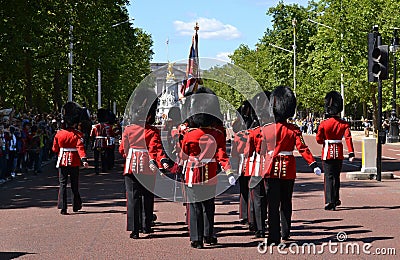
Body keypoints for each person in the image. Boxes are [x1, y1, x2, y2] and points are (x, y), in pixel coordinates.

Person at [260, 86, 321, 245]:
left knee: (272, 206)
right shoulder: (294, 130)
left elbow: (261, 150)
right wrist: (312, 163)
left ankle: (273, 237)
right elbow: (302, 148)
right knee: (286, 203)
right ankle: (286, 232)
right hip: (288, 170)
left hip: (271, 170)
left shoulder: (266, 129)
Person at [179, 87, 236, 249]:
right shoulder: (217, 133)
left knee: (195, 205)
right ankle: (208, 234)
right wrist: (229, 171)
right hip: (210, 173)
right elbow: (222, 155)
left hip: (193, 173)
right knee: (209, 206)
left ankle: (196, 239)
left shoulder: (189, 134)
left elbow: (183, 153)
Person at [119, 88, 169, 239]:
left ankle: (135, 229)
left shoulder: (128, 130)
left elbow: (123, 150)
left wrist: (131, 156)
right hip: (148, 166)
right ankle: (146, 226)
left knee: (133, 196)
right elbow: (157, 150)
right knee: (147, 196)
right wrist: (163, 161)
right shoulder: (152, 132)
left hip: (131, 166)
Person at [316, 91, 355, 211]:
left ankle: (329, 201)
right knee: (336, 177)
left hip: (327, 152)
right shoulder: (344, 124)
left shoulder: (324, 124)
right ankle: (336, 198)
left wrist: (325, 141)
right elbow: (348, 138)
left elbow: (318, 139)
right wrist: (351, 152)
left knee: (328, 177)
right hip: (338, 152)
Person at [52, 102, 90, 215]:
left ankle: (63, 207)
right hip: (74, 161)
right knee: (74, 184)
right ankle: (75, 205)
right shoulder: (78, 134)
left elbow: (54, 148)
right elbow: (80, 148)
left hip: (62, 160)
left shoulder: (59, 134)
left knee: (62, 184)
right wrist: (84, 159)